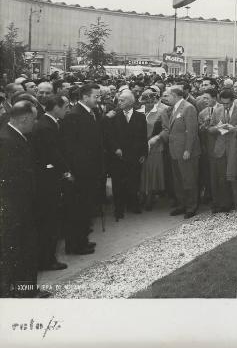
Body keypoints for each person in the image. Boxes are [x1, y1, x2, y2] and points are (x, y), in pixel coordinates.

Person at [0, 101, 48, 297]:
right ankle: (21, 293)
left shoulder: (12, 135)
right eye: (34, 119)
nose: (35, 123)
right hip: (17, 207)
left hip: (19, 206)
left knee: (21, 250)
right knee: (20, 250)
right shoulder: (8, 140)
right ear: (25, 119)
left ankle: (22, 290)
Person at [61, 83, 104, 255]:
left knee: (86, 208)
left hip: (90, 171)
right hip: (81, 173)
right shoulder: (74, 116)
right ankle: (75, 245)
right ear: (85, 97)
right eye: (96, 96)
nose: (99, 99)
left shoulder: (91, 113)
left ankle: (83, 240)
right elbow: (71, 148)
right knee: (78, 210)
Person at [32, 95, 73, 271]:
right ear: (55, 107)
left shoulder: (49, 122)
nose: (68, 110)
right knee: (49, 221)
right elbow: (53, 154)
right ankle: (47, 259)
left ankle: (47, 257)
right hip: (47, 181)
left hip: (49, 178)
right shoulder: (46, 126)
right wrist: (66, 171)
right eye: (65, 106)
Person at [159, 86, 200, 219]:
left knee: (189, 179)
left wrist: (188, 149)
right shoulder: (173, 108)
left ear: (175, 95)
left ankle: (191, 206)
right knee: (178, 180)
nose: (166, 98)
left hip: (185, 151)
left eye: (168, 95)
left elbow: (191, 131)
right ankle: (182, 204)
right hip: (175, 150)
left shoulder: (188, 108)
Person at [107, 90, 147, 220]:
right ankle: (119, 208)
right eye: (119, 100)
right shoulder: (114, 116)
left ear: (131, 102)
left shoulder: (140, 117)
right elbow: (109, 136)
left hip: (134, 155)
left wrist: (144, 153)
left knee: (133, 180)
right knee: (118, 182)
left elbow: (143, 137)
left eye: (122, 100)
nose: (119, 102)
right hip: (118, 156)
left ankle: (133, 204)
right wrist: (115, 148)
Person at [208, 88, 237, 217]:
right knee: (222, 177)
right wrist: (217, 128)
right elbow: (210, 129)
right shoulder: (217, 110)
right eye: (223, 103)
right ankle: (225, 204)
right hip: (221, 148)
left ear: (233, 101)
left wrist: (233, 129)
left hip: (235, 149)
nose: (225, 106)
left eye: (227, 103)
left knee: (236, 177)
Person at [139, 87, 167, 211]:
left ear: (155, 100)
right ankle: (142, 194)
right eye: (146, 101)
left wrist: (156, 138)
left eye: (151, 100)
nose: (149, 103)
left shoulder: (162, 112)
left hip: (155, 146)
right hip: (140, 146)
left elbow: (166, 129)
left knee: (152, 171)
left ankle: (150, 196)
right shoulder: (138, 112)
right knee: (142, 171)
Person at [197, 87, 219, 206]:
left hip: (220, 146)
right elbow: (199, 131)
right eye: (203, 98)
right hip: (207, 147)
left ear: (215, 98)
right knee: (208, 173)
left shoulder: (222, 109)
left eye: (207, 98)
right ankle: (210, 195)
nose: (204, 100)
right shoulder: (202, 113)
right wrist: (204, 125)